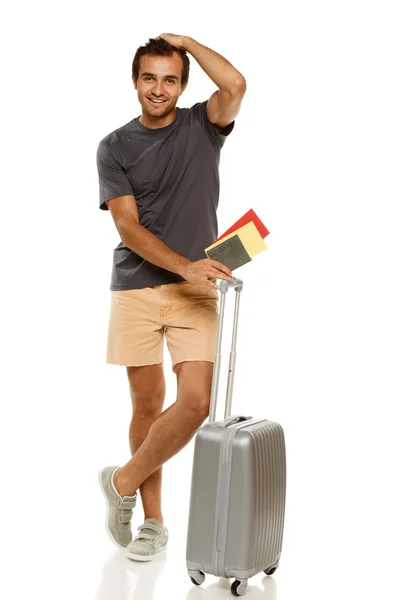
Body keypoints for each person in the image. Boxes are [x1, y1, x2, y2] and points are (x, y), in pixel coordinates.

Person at [96, 33, 246, 562]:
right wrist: (184, 265)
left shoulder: (203, 126)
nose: (158, 88)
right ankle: (153, 524)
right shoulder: (113, 146)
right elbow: (128, 228)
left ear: (183, 85)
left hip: (195, 294)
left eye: (170, 78)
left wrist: (186, 42)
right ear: (135, 81)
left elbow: (235, 83)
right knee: (146, 405)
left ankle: (123, 480)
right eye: (149, 77)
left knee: (195, 403)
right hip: (135, 288)